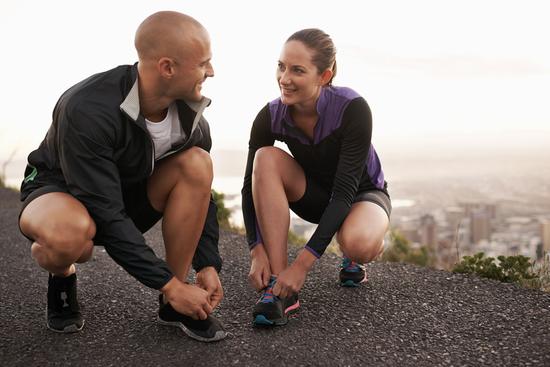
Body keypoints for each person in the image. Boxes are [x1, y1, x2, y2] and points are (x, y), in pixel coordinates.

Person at [18, 11, 227, 342]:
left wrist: (207, 265)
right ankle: (62, 274)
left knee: (197, 163)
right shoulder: (86, 107)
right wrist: (169, 285)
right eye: (204, 63)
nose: (211, 71)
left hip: (127, 196)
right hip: (62, 192)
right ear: (167, 67)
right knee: (71, 237)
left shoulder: (193, 122)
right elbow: (104, 210)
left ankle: (174, 307)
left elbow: (203, 196)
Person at [241, 28, 391, 326]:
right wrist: (256, 249)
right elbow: (250, 185)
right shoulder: (270, 115)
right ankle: (279, 288)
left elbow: (345, 192)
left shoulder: (352, 108)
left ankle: (363, 247)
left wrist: (302, 266)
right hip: (315, 195)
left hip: (360, 195)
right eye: (281, 66)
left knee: (357, 243)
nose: (284, 78)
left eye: (298, 70)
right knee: (265, 158)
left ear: (324, 75)